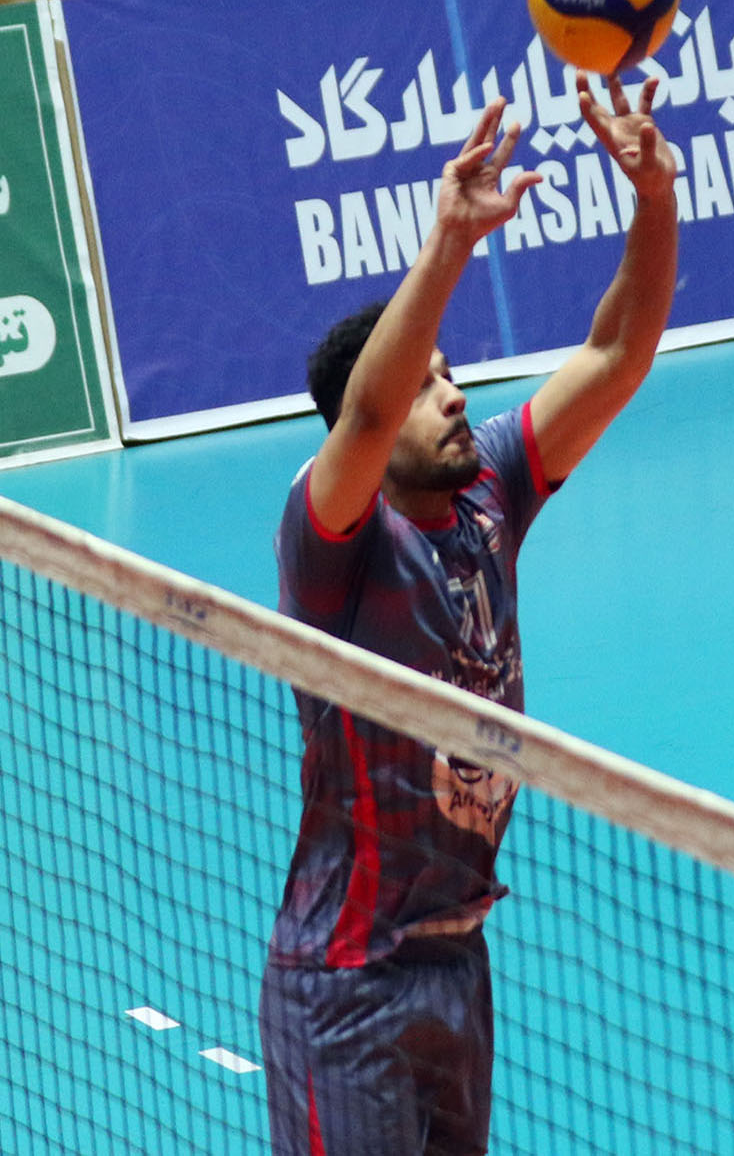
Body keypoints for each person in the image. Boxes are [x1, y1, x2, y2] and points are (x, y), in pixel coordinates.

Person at [259, 74, 677, 1156]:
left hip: (457, 956)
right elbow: (366, 411)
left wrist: (653, 199)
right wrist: (449, 240)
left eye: (452, 376)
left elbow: (616, 355)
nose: (452, 394)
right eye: (426, 383)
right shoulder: (330, 548)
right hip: (347, 982)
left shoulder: (491, 488)